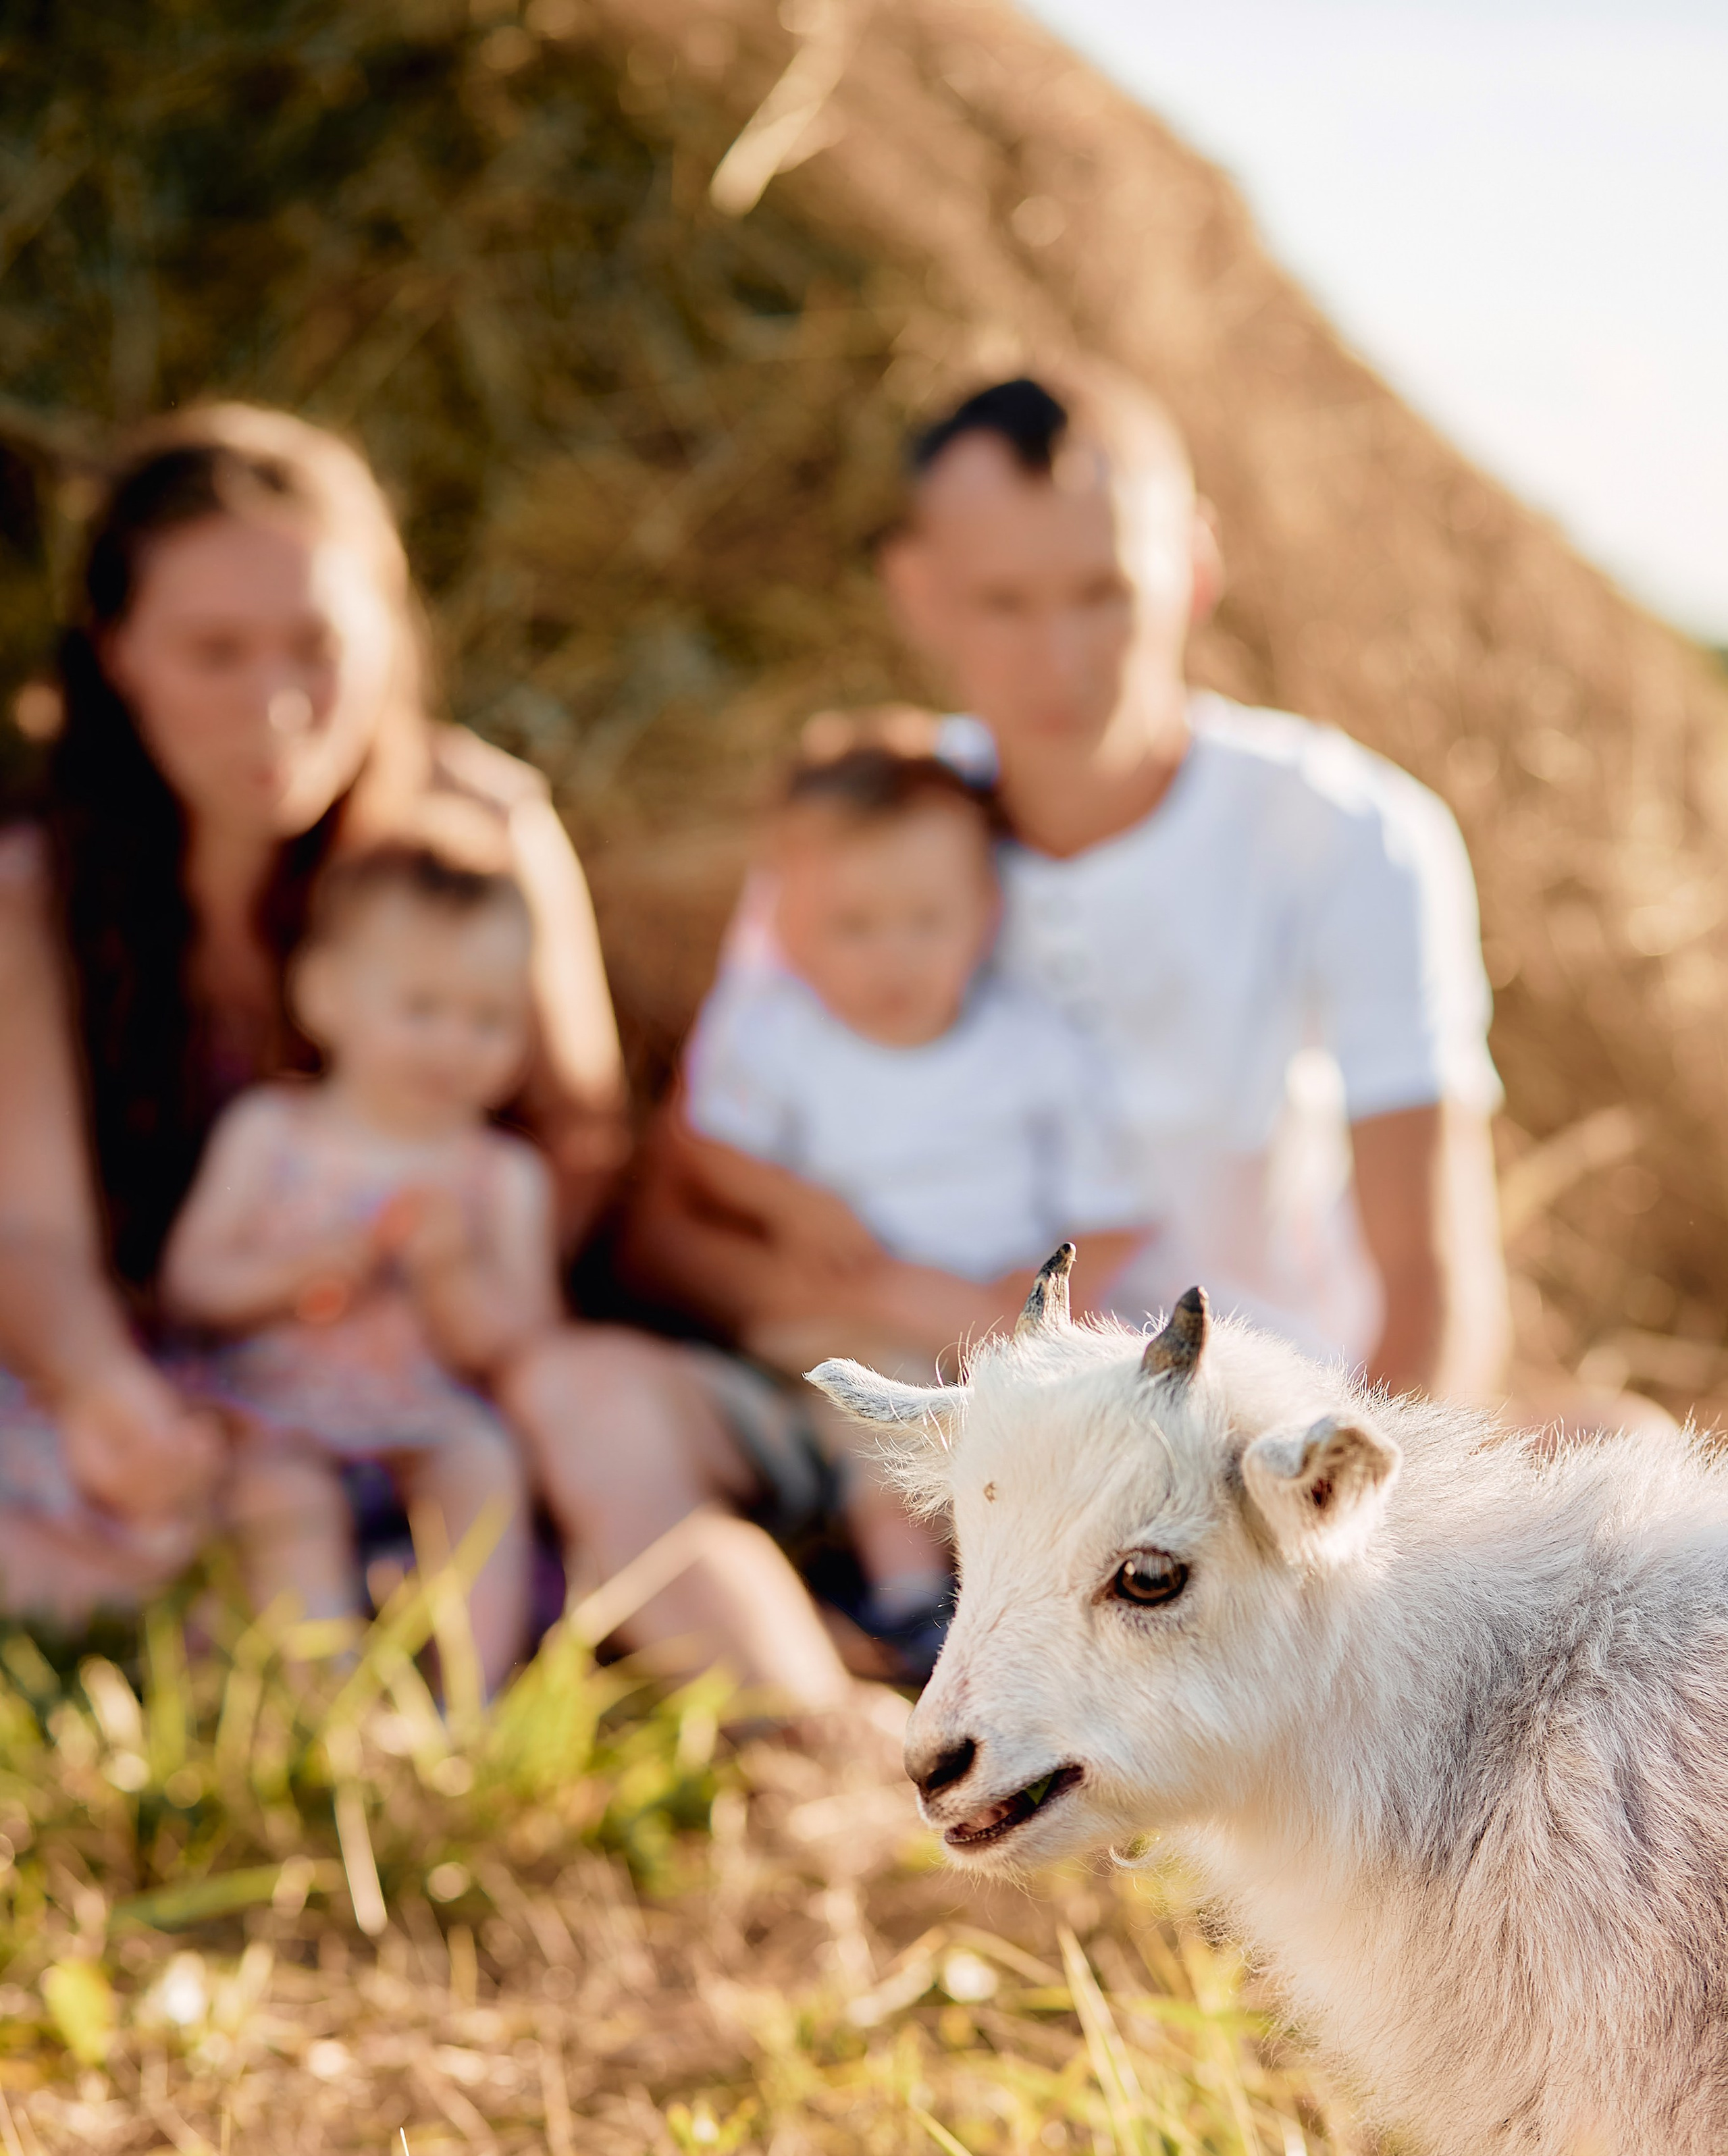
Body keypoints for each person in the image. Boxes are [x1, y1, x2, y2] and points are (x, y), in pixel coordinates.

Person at [0, 404, 867, 1729]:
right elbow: (35, 1232)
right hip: (197, 1376)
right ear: (117, 653)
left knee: (575, 1447)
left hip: (456, 1376)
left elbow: (581, 1143)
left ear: (388, 636)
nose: (275, 704)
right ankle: (309, 1657)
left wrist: (452, 1277)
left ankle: (807, 1729)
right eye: (214, 651)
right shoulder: (37, 889)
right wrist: (113, 1395)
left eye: (317, 646)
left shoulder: (479, 833)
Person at [625, 373, 1512, 1404]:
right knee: (594, 1401)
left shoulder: (1350, 833)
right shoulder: (862, 827)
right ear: (918, 592)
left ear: (1195, 567)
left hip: (1244, 1425)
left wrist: (1337, 1493)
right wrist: (917, 1321)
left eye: (1105, 594)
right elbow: (669, 1226)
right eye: (1003, 603)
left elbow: (1436, 1283)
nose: (1060, 660)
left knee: (1631, 1449)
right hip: (888, 1397)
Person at [679, 743, 1147, 1674]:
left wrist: (1038, 1292)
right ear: (789, 926)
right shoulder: (780, 1036)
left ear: (987, 915)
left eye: (926, 922)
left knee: (1066, 1427)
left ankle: (1056, 1605)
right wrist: (788, 1200)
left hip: (998, 1314)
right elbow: (708, 1148)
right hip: (844, 1310)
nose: (892, 957)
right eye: (853, 927)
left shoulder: (1031, 1047)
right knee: (884, 1412)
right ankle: (910, 1601)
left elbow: (1113, 1210)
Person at [161, 839, 553, 1693]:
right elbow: (192, 1284)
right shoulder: (272, 1131)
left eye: (488, 1018)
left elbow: (521, 1339)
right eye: (422, 1008)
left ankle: (469, 1697)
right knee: (282, 1497)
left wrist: (451, 1277)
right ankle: (328, 1693)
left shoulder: (501, 1175)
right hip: (276, 1405)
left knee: (483, 1464)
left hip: (425, 1410)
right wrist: (293, 1273)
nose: (454, 1042)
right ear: (325, 996)